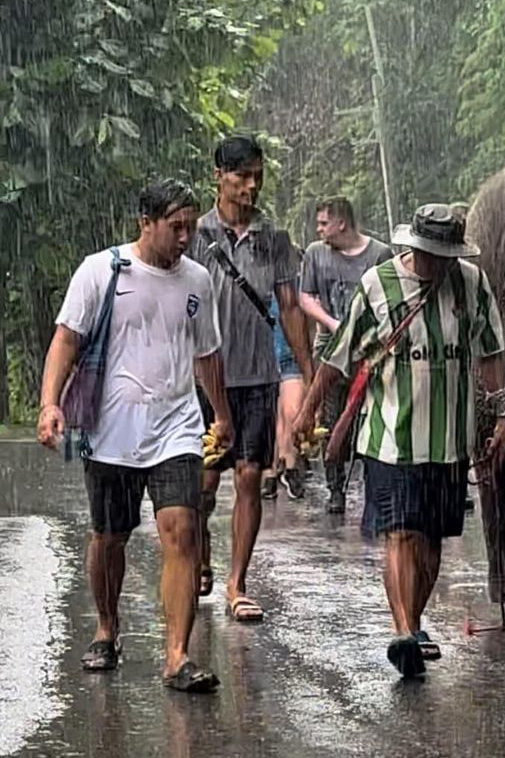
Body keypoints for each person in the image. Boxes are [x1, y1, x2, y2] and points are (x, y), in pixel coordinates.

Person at [293, 203, 505, 678]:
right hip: (390, 436)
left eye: (447, 256)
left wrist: (503, 416)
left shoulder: (472, 284)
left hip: (449, 440)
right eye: (431, 254)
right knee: (400, 533)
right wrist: (308, 410)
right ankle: (404, 631)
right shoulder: (378, 285)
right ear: (413, 247)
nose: (439, 264)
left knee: (431, 540)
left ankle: (414, 621)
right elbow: (340, 355)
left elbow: (490, 352)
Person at [36, 179, 232, 692]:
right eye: (176, 227)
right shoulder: (101, 270)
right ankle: (107, 628)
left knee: (182, 532)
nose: (186, 237)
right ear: (145, 223)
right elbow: (66, 341)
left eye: (191, 226)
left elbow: (207, 354)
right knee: (109, 537)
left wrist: (222, 415)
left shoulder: (197, 280)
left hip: (177, 427)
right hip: (111, 430)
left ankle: (177, 655)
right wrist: (49, 403)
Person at [188, 135, 313, 621]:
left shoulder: (274, 239)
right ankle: (199, 556)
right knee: (201, 483)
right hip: (202, 380)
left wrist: (306, 372)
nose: (251, 186)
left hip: (258, 376)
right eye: (242, 176)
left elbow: (288, 306)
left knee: (247, 476)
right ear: (218, 175)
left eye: (258, 176)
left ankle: (236, 582)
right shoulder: (194, 236)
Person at [299, 196, 392, 512]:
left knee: (370, 415)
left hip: (370, 350)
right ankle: (335, 488)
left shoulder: (380, 254)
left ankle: (372, 484)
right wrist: (333, 323)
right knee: (330, 417)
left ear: (342, 222)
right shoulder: (315, 254)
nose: (319, 229)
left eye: (324, 223)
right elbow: (306, 298)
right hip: (329, 347)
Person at [261, 259, 308, 501]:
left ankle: (287, 467)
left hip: (291, 356)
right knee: (274, 414)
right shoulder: (259, 285)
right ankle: (275, 470)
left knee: (290, 413)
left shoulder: (300, 287)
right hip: (266, 357)